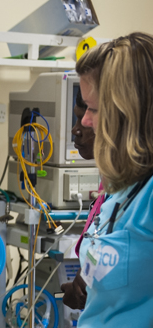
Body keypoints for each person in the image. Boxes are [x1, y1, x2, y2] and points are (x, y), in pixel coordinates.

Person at [59, 32, 153, 328]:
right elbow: (110, 306)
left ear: (129, 113)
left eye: (94, 109)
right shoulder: (121, 190)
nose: (84, 122)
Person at [60, 88, 98, 310]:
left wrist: (84, 281)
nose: (75, 129)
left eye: (88, 115)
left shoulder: (138, 187)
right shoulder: (111, 183)